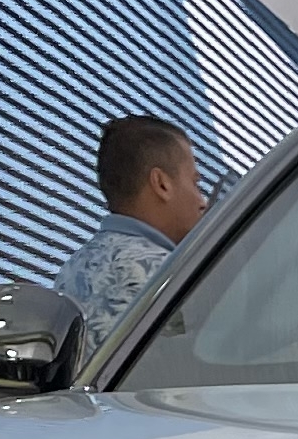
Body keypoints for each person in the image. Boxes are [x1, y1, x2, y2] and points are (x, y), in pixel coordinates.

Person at [56, 115, 207, 349]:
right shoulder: (167, 274)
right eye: (195, 183)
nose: (202, 202)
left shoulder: (68, 274)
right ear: (161, 184)